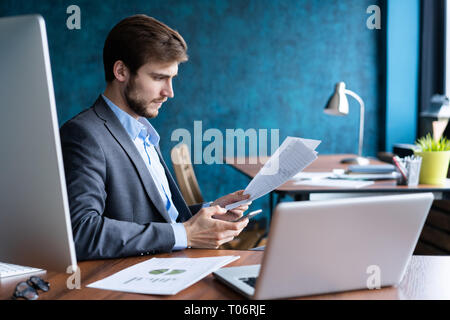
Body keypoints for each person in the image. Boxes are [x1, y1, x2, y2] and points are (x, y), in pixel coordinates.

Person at [60, 15, 251, 260]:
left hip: (173, 265)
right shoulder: (84, 135)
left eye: (172, 79)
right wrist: (185, 235)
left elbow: (160, 218)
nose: (169, 92)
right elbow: (82, 232)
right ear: (121, 71)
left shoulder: (144, 132)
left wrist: (210, 211)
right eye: (159, 77)